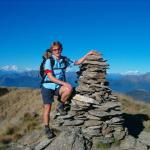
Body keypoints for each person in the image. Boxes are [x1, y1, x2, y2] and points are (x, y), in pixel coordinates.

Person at [41, 41, 97, 139]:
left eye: (59, 49)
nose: (57, 51)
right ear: (52, 51)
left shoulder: (65, 59)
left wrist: (88, 54)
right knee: (47, 108)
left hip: (58, 86)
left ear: (61, 49)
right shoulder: (49, 61)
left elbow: (77, 62)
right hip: (47, 86)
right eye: (55, 50)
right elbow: (50, 77)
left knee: (69, 89)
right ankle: (46, 128)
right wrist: (64, 83)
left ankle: (60, 105)